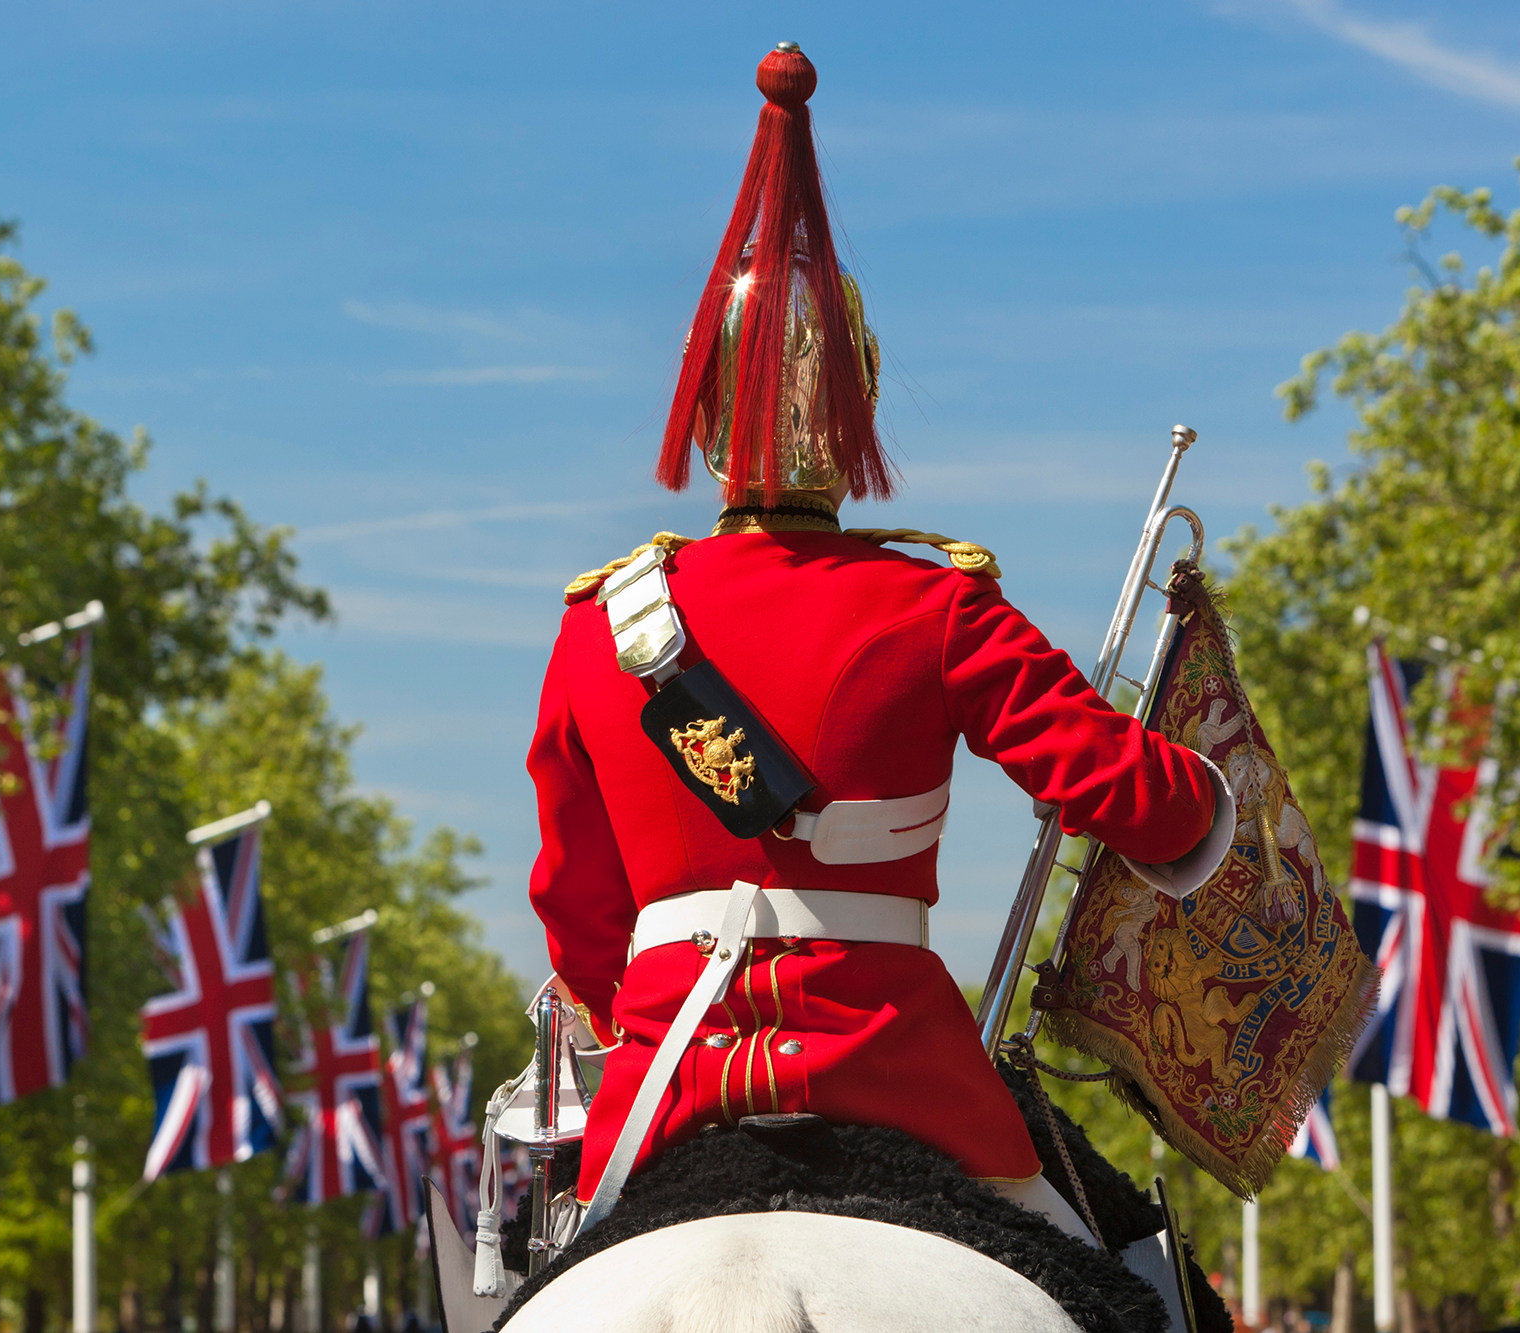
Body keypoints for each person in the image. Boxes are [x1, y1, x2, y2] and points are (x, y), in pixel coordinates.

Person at [526, 42, 1232, 1245]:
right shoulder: (934, 605)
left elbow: (578, 907)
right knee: (1130, 1274)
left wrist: (643, 1000)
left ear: (699, 414)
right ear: (855, 400)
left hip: (664, 1079)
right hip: (903, 1074)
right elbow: (1131, 798)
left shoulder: (600, 626)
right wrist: (1202, 783)